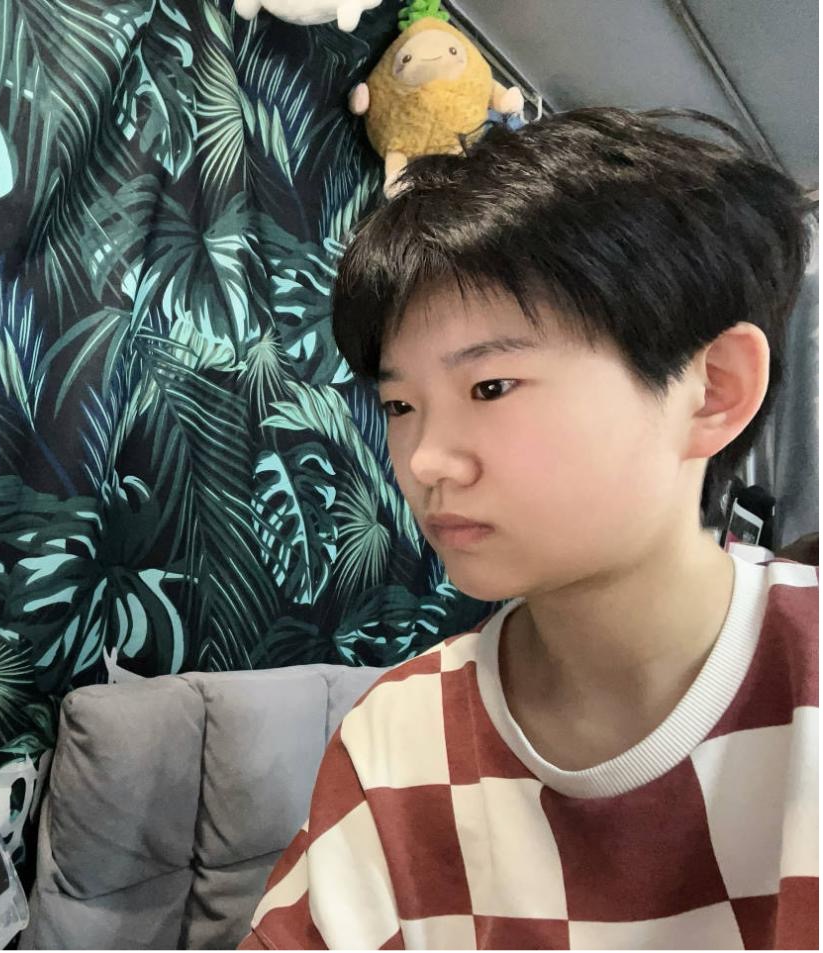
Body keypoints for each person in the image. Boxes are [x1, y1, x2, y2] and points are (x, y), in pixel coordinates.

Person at [241, 108, 817, 950]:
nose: (425, 460)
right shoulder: (398, 736)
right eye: (399, 405)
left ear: (712, 389)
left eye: (490, 387)